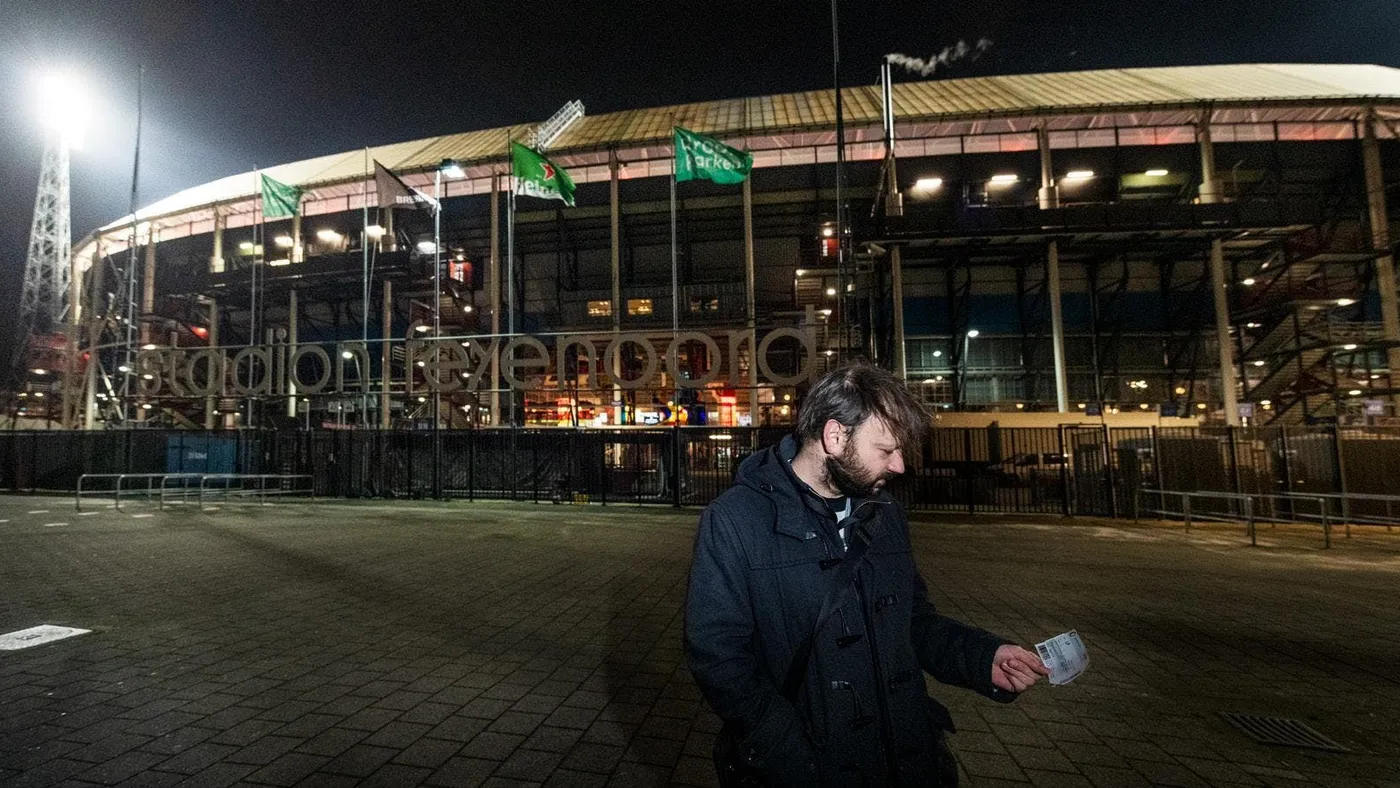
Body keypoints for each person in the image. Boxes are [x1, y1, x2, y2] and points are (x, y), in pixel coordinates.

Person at [685, 361, 1049, 786]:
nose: (899, 466)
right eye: (886, 450)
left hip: (906, 759)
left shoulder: (886, 512)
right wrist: (787, 747)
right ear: (835, 436)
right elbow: (718, 656)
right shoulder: (734, 520)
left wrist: (981, 657)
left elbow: (913, 621)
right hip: (808, 767)